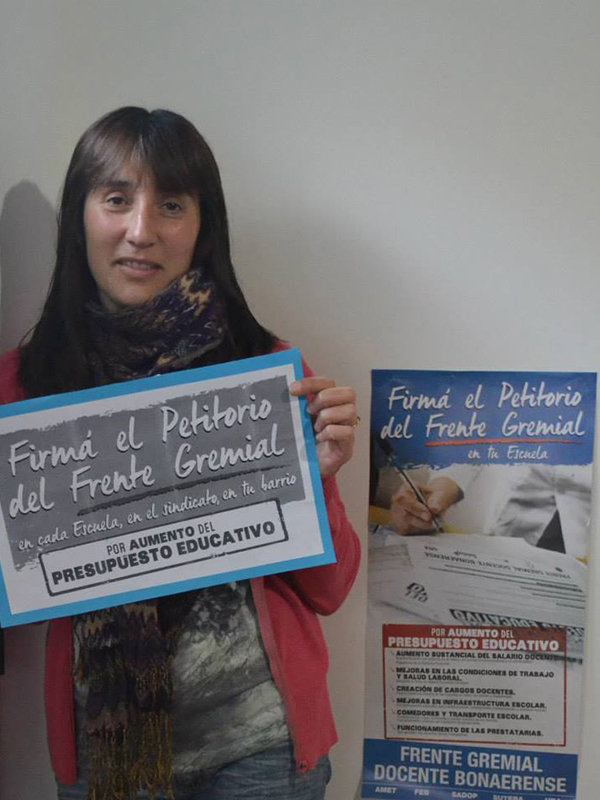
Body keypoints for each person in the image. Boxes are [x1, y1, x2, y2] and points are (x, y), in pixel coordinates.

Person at [0, 107, 360, 800]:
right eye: (116, 199)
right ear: (80, 216)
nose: (141, 230)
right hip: (110, 755)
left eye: (171, 204)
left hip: (263, 749)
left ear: (202, 225)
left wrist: (316, 481)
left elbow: (330, 591)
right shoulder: (25, 389)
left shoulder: (264, 373)